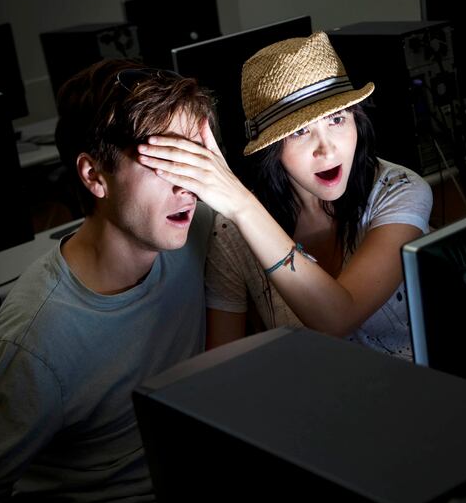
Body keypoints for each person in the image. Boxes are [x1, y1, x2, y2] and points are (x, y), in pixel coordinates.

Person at [0, 59, 215, 503]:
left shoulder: (199, 230)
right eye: (165, 161)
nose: (188, 184)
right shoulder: (36, 335)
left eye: (193, 157)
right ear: (93, 176)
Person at [133, 32, 432, 360]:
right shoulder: (230, 232)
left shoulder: (400, 189)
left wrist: (242, 205)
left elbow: (338, 318)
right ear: (272, 149)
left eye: (337, 119)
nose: (327, 149)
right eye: (300, 131)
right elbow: (224, 366)